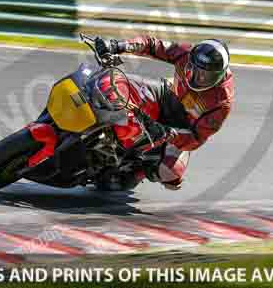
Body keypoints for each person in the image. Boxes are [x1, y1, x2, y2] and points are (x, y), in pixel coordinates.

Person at [93, 35, 234, 191]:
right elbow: (152, 45)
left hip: (181, 128)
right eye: (197, 70)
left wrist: (167, 133)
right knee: (115, 82)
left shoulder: (221, 102)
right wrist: (119, 45)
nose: (200, 78)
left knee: (170, 174)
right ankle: (102, 121)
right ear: (191, 62)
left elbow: (196, 138)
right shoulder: (185, 53)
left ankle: (138, 173)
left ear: (220, 74)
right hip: (167, 96)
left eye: (208, 76)